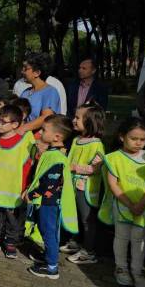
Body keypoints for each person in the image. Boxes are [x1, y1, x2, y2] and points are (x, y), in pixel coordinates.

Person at [99, 117, 145, 287]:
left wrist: (141, 204)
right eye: (134, 138)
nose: (138, 143)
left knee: (139, 240)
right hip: (122, 205)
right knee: (122, 237)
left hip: (144, 207)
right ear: (121, 137)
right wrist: (130, 204)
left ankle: (137, 271)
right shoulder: (114, 158)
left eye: (142, 139)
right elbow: (113, 184)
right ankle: (121, 268)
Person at [24, 115, 79, 280]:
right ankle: (48, 257)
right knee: (44, 229)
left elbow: (50, 183)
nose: (40, 132)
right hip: (45, 202)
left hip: (50, 203)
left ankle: (52, 267)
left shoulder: (56, 158)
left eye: (44, 130)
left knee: (49, 233)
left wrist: (32, 195)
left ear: (57, 137)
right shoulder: (51, 153)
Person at [0, 105, 34, 257]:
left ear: (15, 124)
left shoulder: (24, 143)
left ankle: (10, 243)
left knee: (13, 220)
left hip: (15, 191)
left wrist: (24, 188)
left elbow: (26, 167)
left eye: (3, 122)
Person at [62, 102, 106, 265]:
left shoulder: (96, 144)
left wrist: (74, 168)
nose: (74, 120)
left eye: (78, 118)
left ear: (90, 122)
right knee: (76, 216)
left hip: (86, 189)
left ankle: (88, 251)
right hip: (73, 186)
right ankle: (75, 242)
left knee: (87, 219)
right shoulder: (76, 140)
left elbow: (96, 168)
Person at [17, 53, 61, 134]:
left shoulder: (50, 92)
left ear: (37, 73)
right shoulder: (25, 92)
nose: (22, 71)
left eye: (25, 69)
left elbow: (46, 117)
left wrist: (22, 129)